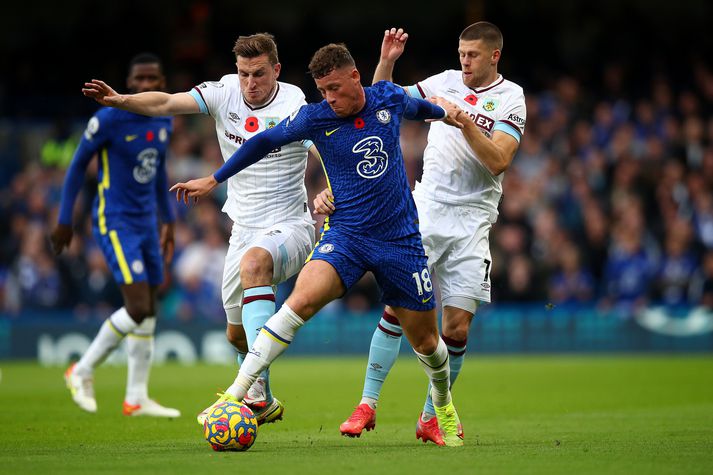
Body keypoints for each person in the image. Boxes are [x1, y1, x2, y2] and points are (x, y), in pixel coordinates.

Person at [170, 43, 466, 447]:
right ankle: (238, 393)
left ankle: (442, 406)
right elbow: (262, 142)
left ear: (354, 77)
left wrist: (450, 113)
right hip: (346, 236)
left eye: (334, 88)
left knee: (429, 345)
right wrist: (214, 179)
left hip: (400, 241)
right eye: (322, 90)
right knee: (297, 303)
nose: (328, 97)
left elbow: (426, 110)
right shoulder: (315, 117)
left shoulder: (388, 98)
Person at [82, 33, 317, 426]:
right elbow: (166, 101)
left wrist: (330, 188)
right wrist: (120, 101)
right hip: (242, 229)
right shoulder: (224, 92)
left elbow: (324, 147)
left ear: (276, 69)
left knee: (256, 264)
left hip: (290, 224)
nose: (250, 84)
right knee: (235, 335)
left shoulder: (294, 103)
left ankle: (246, 393)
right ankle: (266, 400)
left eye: (258, 74)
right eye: (243, 74)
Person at [322, 23, 526, 444]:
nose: (464, 61)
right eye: (460, 52)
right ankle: (367, 405)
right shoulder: (443, 82)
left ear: (494, 57)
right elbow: (377, 103)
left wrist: (463, 121)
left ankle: (431, 415)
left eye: (472, 55)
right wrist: (386, 63)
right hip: (426, 212)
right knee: (400, 310)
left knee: (457, 329)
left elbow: (499, 160)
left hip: (474, 221)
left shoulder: (511, 97)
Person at [52, 53, 180, 417]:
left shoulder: (165, 118)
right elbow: (78, 165)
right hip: (115, 220)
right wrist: (65, 219)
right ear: (129, 82)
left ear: (162, 81)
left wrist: (168, 220)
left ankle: (136, 397)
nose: (144, 86)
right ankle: (82, 369)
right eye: (138, 80)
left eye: (152, 79)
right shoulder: (108, 118)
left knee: (150, 307)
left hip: (146, 223)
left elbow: (156, 171)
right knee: (137, 306)